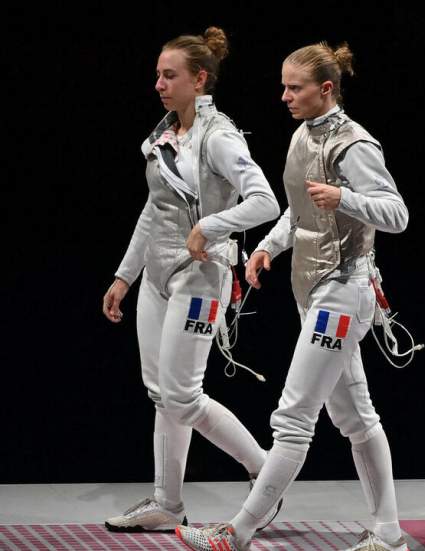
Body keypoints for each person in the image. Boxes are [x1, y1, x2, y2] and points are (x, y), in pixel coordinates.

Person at [176, 41, 410, 551]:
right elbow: (299, 211)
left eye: (294, 87)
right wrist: (267, 247)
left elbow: (397, 213)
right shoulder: (303, 136)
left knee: (293, 416)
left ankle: (236, 533)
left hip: (345, 293)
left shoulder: (355, 144)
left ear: (326, 89)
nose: (284, 95)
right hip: (314, 289)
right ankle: (389, 533)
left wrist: (347, 197)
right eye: (283, 86)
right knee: (355, 417)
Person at [101, 27, 281, 532]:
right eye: (158, 75)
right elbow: (153, 211)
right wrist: (125, 275)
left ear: (199, 79)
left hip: (201, 277)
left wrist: (211, 226)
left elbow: (264, 201)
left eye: (169, 75)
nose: (158, 83)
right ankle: (168, 503)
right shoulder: (165, 134)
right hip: (158, 276)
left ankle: (267, 475)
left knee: (183, 395)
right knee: (162, 393)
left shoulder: (219, 136)